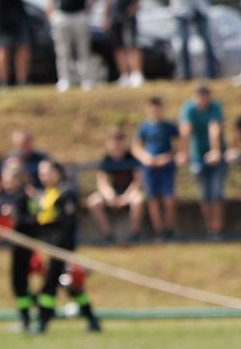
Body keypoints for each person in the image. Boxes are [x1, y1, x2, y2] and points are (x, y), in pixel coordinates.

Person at [31, 161, 101, 333]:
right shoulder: (46, 194)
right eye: (40, 173)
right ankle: (92, 320)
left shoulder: (66, 193)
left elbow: (68, 225)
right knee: (70, 285)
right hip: (51, 246)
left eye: (46, 173)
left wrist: (60, 248)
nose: (43, 177)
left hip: (61, 248)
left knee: (50, 284)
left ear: (56, 173)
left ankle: (42, 322)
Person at [0, 157, 42, 332]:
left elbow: (32, 220)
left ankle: (28, 318)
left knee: (20, 282)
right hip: (16, 245)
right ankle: (27, 316)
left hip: (24, 245)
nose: (7, 183)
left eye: (10, 180)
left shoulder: (25, 196)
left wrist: (15, 218)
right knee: (19, 283)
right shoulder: (9, 198)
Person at [46, 0, 98, 92]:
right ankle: (64, 80)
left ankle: (86, 80)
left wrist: (89, 9)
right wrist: (50, 12)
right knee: (63, 51)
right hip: (63, 15)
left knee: (83, 49)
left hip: (80, 14)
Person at [180, 83, 228, 237]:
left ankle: (218, 228)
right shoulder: (189, 108)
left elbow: (214, 129)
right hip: (198, 156)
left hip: (218, 156)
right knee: (204, 195)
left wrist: (215, 151)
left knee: (216, 194)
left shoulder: (215, 107)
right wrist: (183, 153)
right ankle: (210, 227)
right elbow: (186, 131)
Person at [133, 95, 181, 239]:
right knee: (153, 200)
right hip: (149, 167)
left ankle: (169, 228)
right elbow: (136, 146)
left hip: (166, 166)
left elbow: (180, 145)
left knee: (169, 199)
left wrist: (167, 157)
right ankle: (159, 231)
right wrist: (145, 157)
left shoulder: (169, 126)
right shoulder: (144, 127)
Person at [89, 129, 145, 243]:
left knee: (138, 200)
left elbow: (138, 181)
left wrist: (126, 196)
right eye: (114, 140)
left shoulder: (131, 157)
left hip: (129, 192)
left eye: (119, 140)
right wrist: (109, 194)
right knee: (93, 201)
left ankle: (134, 234)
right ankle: (108, 234)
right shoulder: (106, 159)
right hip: (113, 193)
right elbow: (102, 181)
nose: (117, 144)